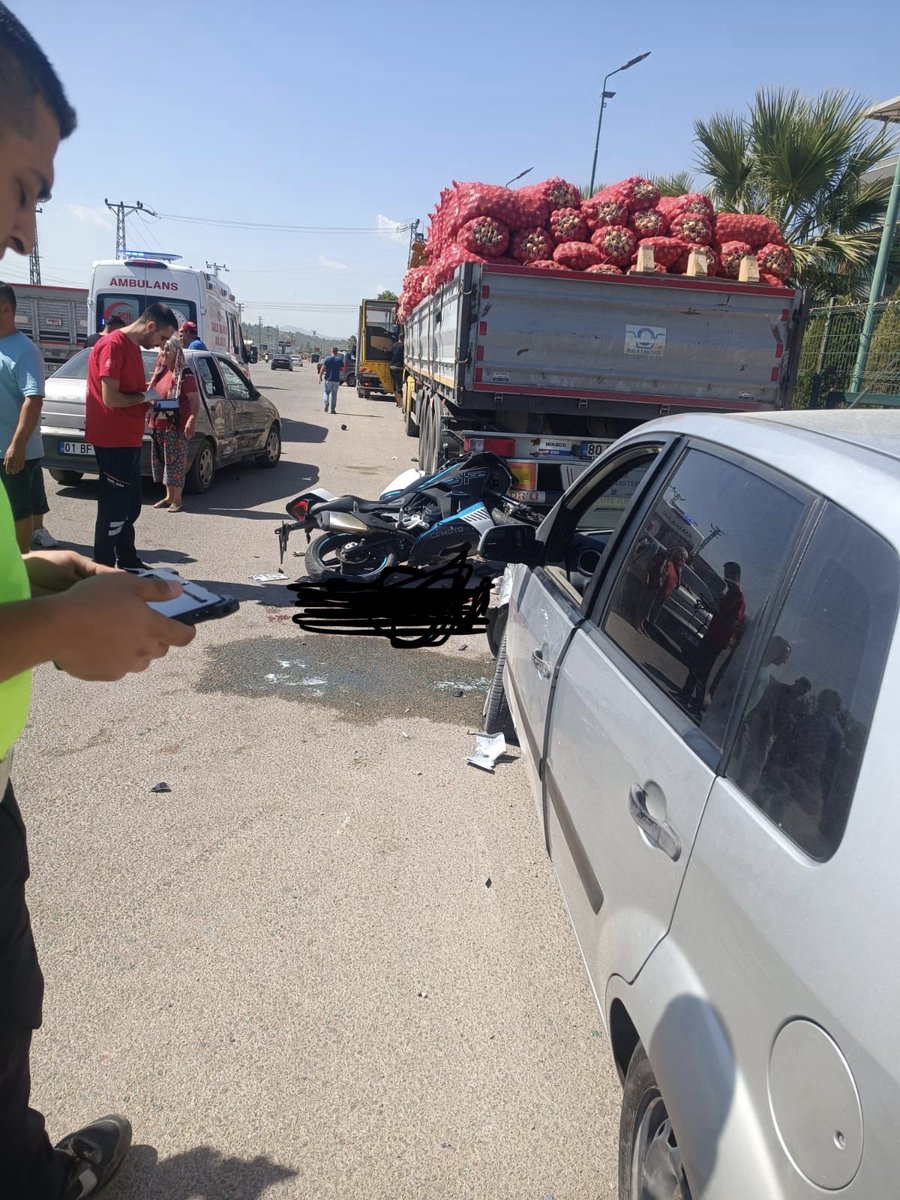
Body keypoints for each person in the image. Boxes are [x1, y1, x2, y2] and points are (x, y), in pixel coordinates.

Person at [0, 6, 197, 1196]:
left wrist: (38, 581)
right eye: (24, 188)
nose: (27, 234)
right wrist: (53, 632)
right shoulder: (116, 352)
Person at [85, 302, 178, 568]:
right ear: (150, 326)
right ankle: (103, 567)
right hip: (113, 440)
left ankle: (127, 558)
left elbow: (129, 391)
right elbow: (111, 398)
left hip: (128, 438)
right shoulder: (113, 345)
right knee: (114, 507)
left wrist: (148, 399)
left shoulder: (133, 347)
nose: (162, 346)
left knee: (130, 505)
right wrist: (145, 396)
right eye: (162, 338)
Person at [0, 282, 54, 552]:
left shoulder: (24, 350)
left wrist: (17, 445)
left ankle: (21, 566)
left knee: (17, 512)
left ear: (5, 309)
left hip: (12, 452)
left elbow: (33, 400)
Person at [680, 560, 745, 711]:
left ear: (735, 575)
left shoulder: (738, 597)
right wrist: (711, 607)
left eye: (727, 575)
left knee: (702, 672)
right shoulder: (730, 593)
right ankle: (685, 695)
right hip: (711, 635)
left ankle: (697, 704)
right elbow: (721, 610)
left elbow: (732, 620)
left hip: (716, 640)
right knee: (696, 666)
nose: (725, 578)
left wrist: (717, 611)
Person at [148, 334, 199, 513]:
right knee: (163, 462)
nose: (164, 353)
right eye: (163, 350)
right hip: (158, 425)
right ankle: (169, 497)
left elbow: (194, 401)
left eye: (168, 350)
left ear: (177, 352)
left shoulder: (185, 374)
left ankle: (178, 500)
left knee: (175, 462)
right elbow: (154, 392)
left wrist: (191, 420)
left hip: (175, 426)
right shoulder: (161, 371)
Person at [642, 543, 688, 632]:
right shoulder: (666, 559)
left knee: (654, 611)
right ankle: (639, 623)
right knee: (647, 606)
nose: (682, 560)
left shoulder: (677, 568)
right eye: (682, 557)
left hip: (663, 594)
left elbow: (675, 580)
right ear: (676, 553)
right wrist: (647, 577)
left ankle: (645, 626)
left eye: (684, 559)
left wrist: (683, 583)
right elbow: (654, 567)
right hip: (656, 587)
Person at [318, 344, 342, 413]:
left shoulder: (327, 359)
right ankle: (332, 409)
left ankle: (326, 402)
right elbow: (342, 369)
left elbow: (322, 369)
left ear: (331, 351)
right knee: (334, 395)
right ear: (337, 352)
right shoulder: (339, 360)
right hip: (336, 380)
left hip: (328, 379)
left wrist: (320, 377)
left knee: (326, 392)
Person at [390, 329, 404, 407]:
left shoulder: (394, 345)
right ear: (403, 338)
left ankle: (397, 402)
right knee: (399, 386)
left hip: (392, 367)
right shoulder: (403, 346)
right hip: (399, 368)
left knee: (395, 386)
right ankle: (400, 404)